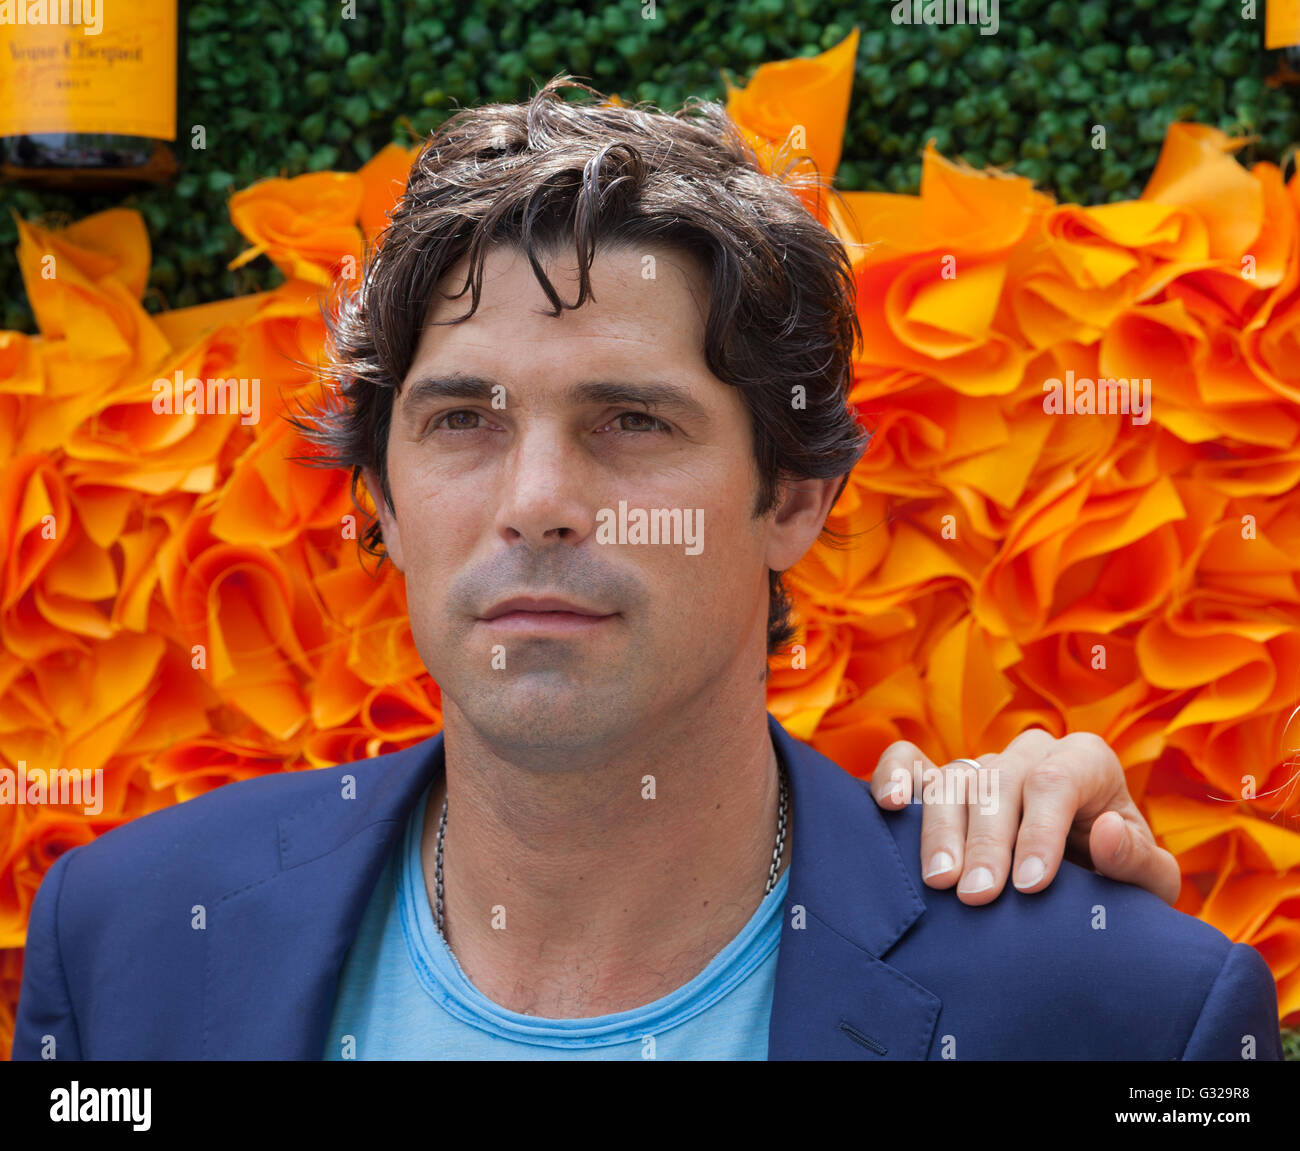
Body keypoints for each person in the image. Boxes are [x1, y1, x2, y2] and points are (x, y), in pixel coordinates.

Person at [12, 76, 1281, 1061]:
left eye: (632, 419)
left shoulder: (1119, 1009)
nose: (540, 503)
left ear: (791, 494)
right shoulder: (125, 943)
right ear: (381, 499)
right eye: (463, 419)